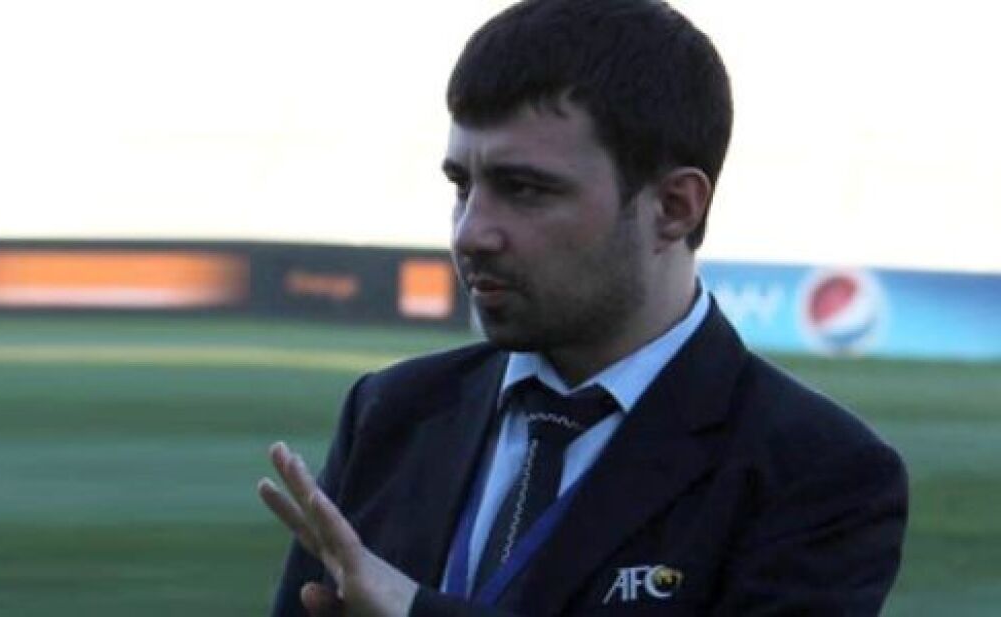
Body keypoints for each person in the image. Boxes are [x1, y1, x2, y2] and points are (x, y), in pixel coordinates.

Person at [257, 0, 909, 615]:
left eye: (524, 189)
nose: (470, 232)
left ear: (675, 207)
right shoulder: (391, 412)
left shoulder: (816, 471)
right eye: (462, 185)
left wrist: (415, 609)